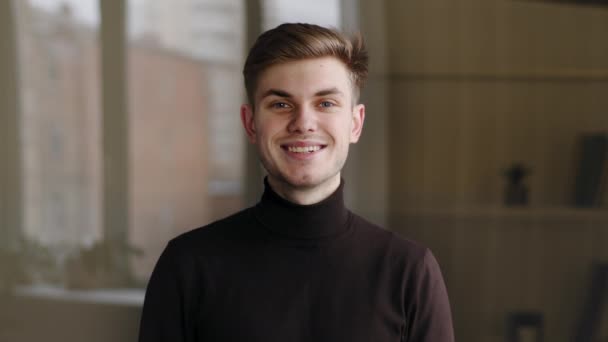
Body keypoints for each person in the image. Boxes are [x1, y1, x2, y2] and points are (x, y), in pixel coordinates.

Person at [138, 23, 454, 342]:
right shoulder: (188, 266)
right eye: (281, 104)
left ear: (355, 124)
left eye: (325, 103)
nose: (303, 123)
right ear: (250, 124)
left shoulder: (408, 272)